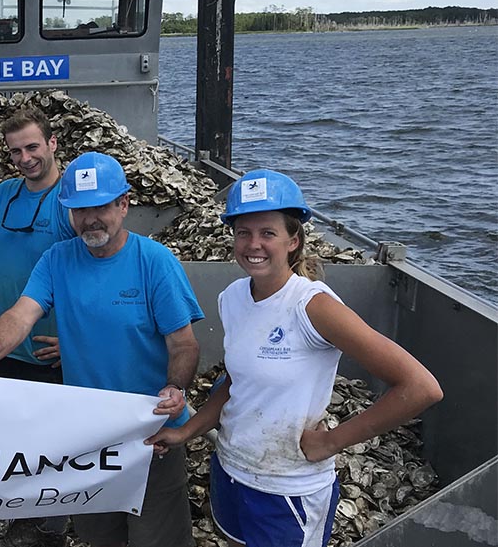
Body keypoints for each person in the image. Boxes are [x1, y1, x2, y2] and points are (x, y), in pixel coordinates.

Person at [145, 170, 443, 547]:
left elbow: (421, 387)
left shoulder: (313, 305)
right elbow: (237, 384)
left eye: (268, 232)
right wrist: (186, 432)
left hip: (288, 491)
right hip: (231, 471)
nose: (254, 244)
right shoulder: (233, 297)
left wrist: (333, 441)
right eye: (243, 232)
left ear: (293, 239)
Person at [0, 151, 203, 547]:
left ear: (123, 204)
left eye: (101, 206)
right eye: (79, 209)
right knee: (99, 534)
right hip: (90, 435)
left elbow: (184, 344)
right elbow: (21, 314)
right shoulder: (57, 259)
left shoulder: (154, 262)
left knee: (157, 538)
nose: (90, 219)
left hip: (151, 432)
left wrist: (176, 388)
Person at [0, 106, 76, 385]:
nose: (25, 158)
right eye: (15, 151)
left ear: (52, 143)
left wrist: (78, 339)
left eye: (33, 147)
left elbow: (100, 271)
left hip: (51, 353)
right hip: (4, 346)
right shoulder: (1, 194)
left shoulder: (71, 203)